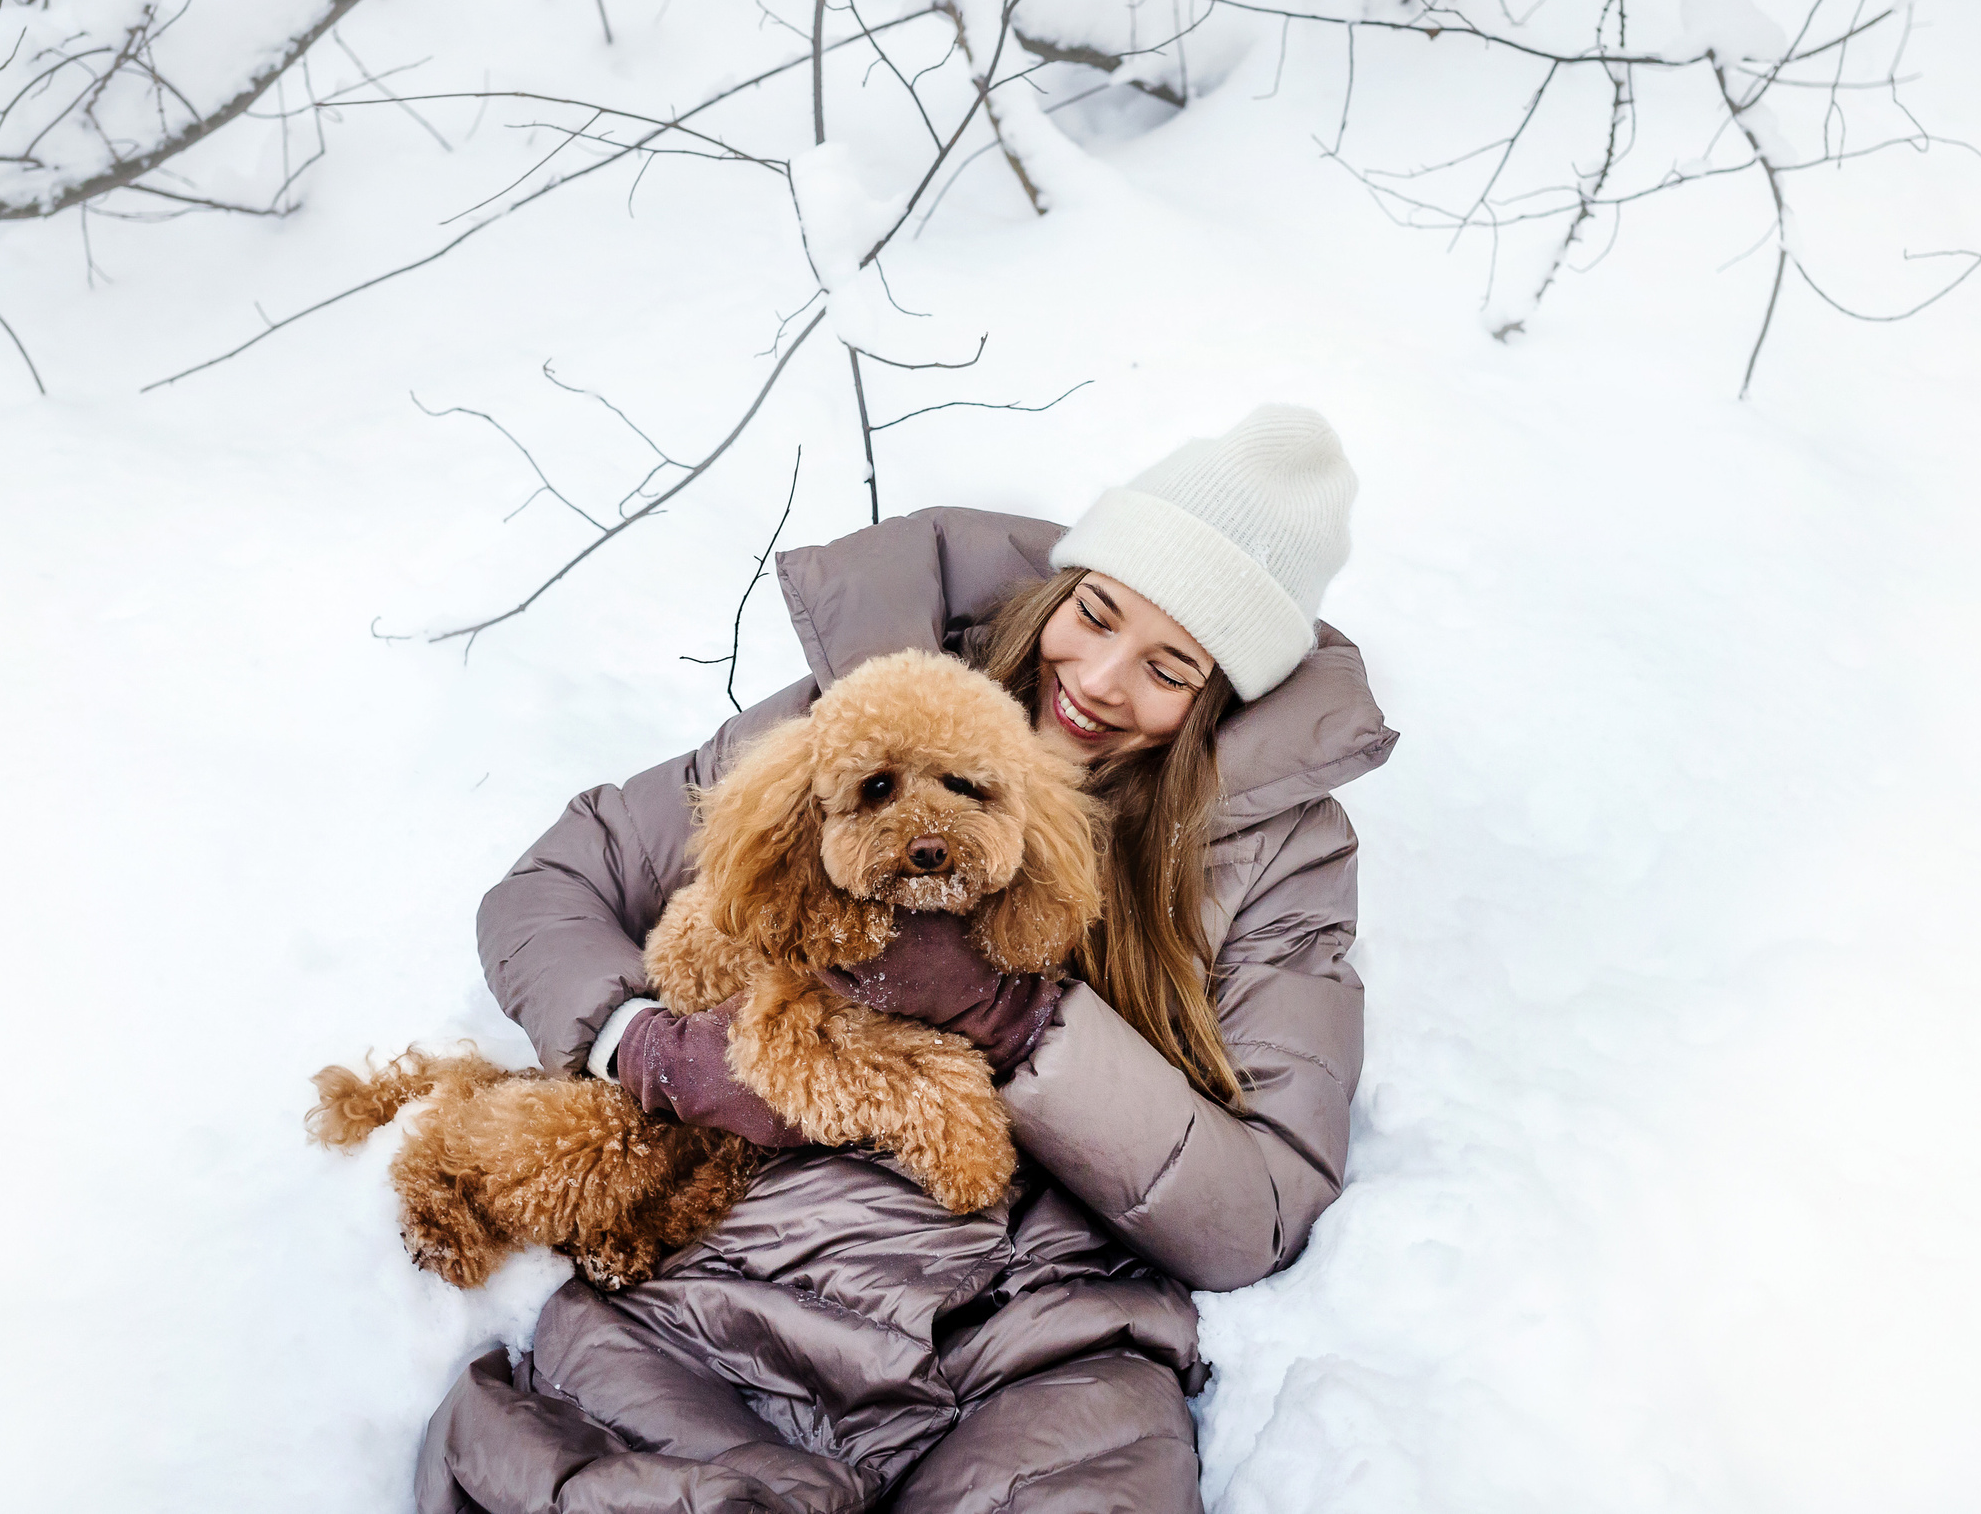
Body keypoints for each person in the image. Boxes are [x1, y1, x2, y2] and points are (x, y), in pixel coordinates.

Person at [418, 405, 1396, 1514]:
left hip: (1047, 1328)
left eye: (1169, 668)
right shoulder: (879, 710)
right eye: (1096, 611)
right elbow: (554, 883)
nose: (1099, 678)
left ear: (1221, 699)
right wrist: (638, 1048)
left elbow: (1259, 1208)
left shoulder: (1280, 858)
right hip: (741, 1262)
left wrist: (1015, 1021)